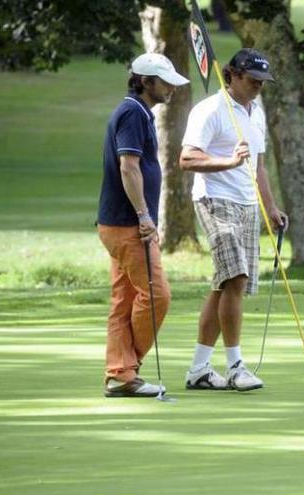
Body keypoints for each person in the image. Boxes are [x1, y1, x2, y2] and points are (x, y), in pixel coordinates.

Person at [179, 48, 285, 392]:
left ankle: (199, 369)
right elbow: (187, 158)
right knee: (236, 277)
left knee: (224, 284)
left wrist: (270, 207)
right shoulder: (209, 110)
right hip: (213, 200)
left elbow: (258, 166)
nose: (259, 87)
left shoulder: (257, 112)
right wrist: (227, 161)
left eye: (263, 82)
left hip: (247, 205)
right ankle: (236, 365)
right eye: (253, 80)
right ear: (233, 76)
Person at [97, 53, 189, 397]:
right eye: (165, 82)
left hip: (118, 223)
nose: (171, 89)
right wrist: (145, 217)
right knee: (157, 295)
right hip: (127, 224)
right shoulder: (133, 113)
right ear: (145, 81)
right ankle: (125, 369)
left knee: (124, 300)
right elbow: (128, 167)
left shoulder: (138, 113)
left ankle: (120, 373)